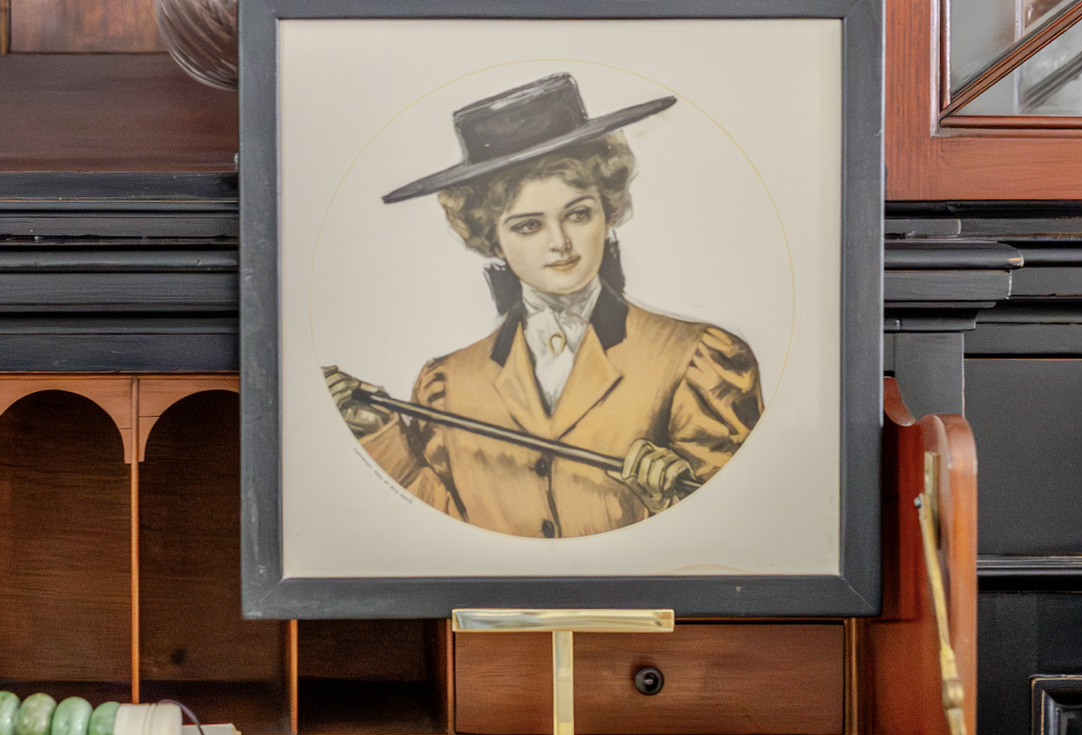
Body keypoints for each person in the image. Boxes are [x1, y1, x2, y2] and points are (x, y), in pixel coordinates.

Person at [324, 72, 765, 539]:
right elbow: (449, 532)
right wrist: (380, 435)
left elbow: (740, 531)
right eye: (528, 226)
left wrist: (673, 503)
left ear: (608, 212)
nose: (561, 243)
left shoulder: (698, 358)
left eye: (578, 214)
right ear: (491, 237)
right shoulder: (447, 383)